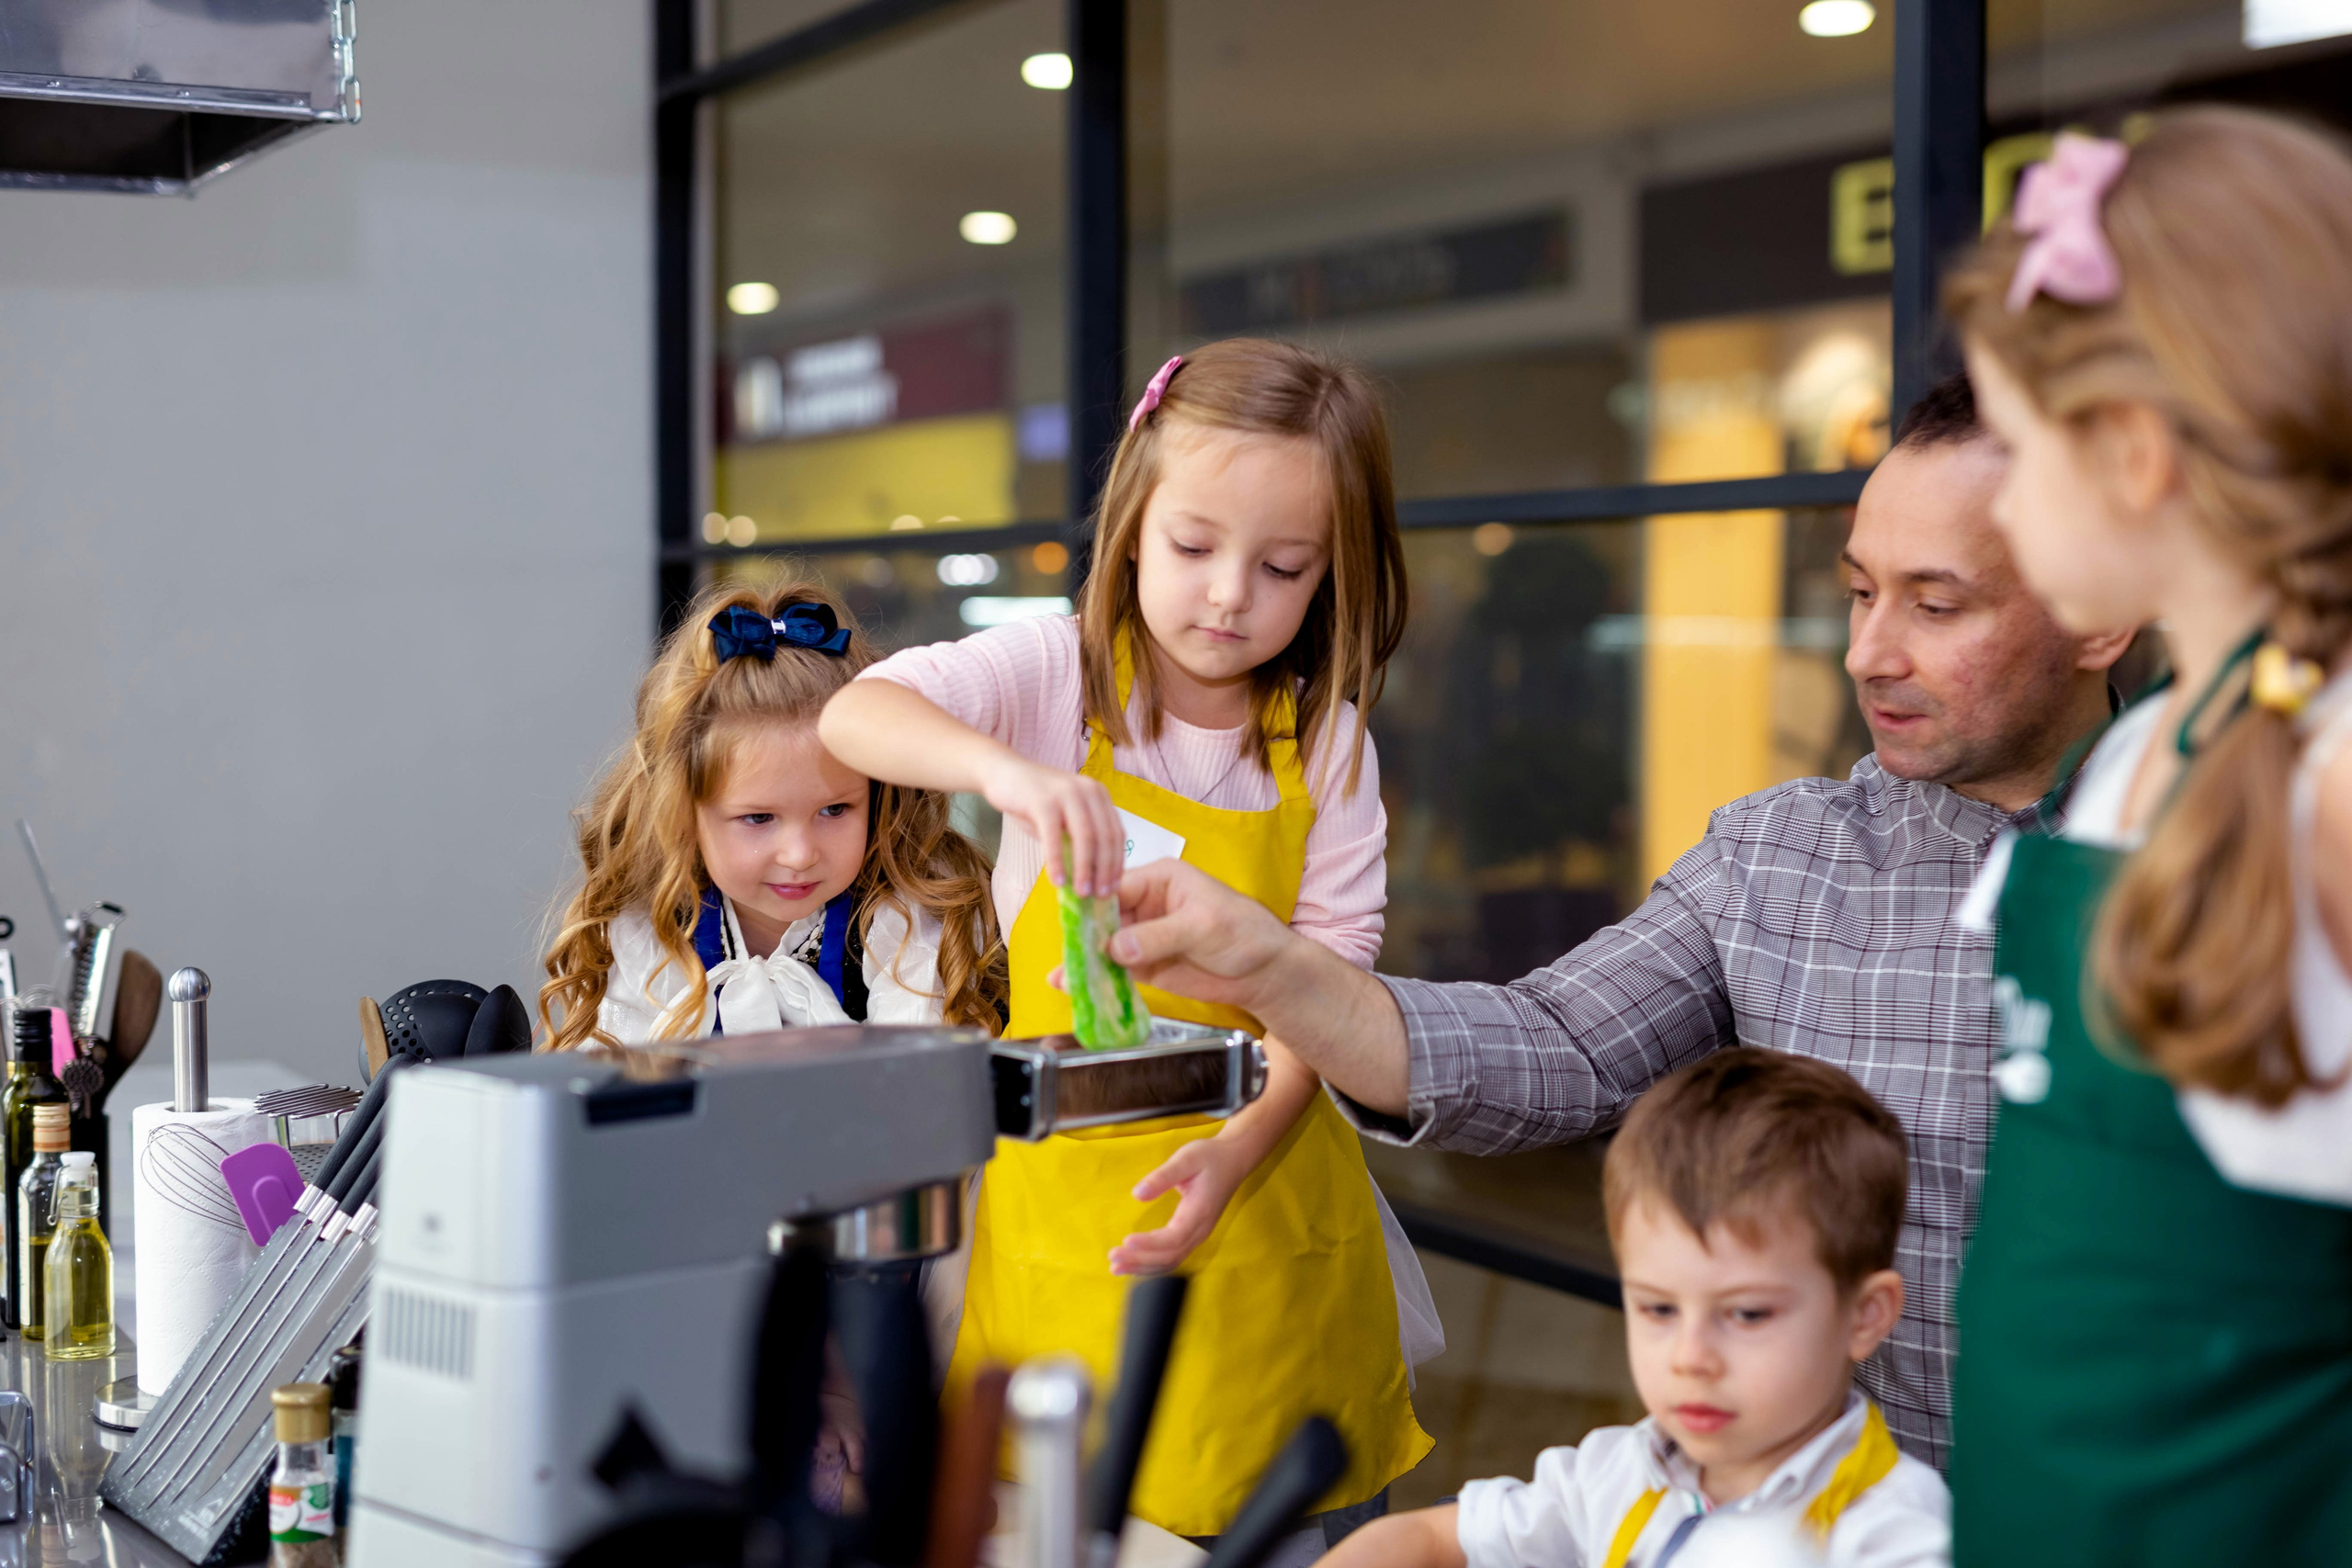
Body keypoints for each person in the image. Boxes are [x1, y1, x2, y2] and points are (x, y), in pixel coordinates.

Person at [1094, 373, 2137, 1467]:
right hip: (1816, 1520)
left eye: (1935, 606)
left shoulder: (2226, 880)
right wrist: (1273, 968)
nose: (1867, 653)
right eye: (1859, 593)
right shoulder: (1777, 854)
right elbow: (1551, 1047)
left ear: (2100, 615)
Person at [819, 338, 1435, 1541]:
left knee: (1287, 1522)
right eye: (1194, 547)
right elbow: (857, 714)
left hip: (1267, 1190)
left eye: (1283, 567)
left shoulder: (1329, 746)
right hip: (1065, 1209)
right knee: (1051, 1514)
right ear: (1134, 524)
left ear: (1334, 574)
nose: (1228, 595)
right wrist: (1006, 773)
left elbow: (1333, 989)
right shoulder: (1057, 677)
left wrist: (1240, 1147)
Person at [1940, 110, 2352, 1563]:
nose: (2004, 500)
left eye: (2015, 448)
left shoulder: (2333, 779)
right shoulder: (2140, 746)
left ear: (2131, 452)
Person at [1321, 1050, 1950, 1568]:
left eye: (1748, 1314)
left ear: (1865, 1315)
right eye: (1659, 1309)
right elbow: (1428, 1539)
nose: (1691, 1358)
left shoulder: (1895, 1536)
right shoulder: (1621, 1472)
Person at [537, 579, 1004, 1049]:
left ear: (879, 794)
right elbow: (624, 1083)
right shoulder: (650, 926)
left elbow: (916, 1080)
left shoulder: (910, 922)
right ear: (682, 811)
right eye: (759, 819)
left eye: (834, 809)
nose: (800, 854)